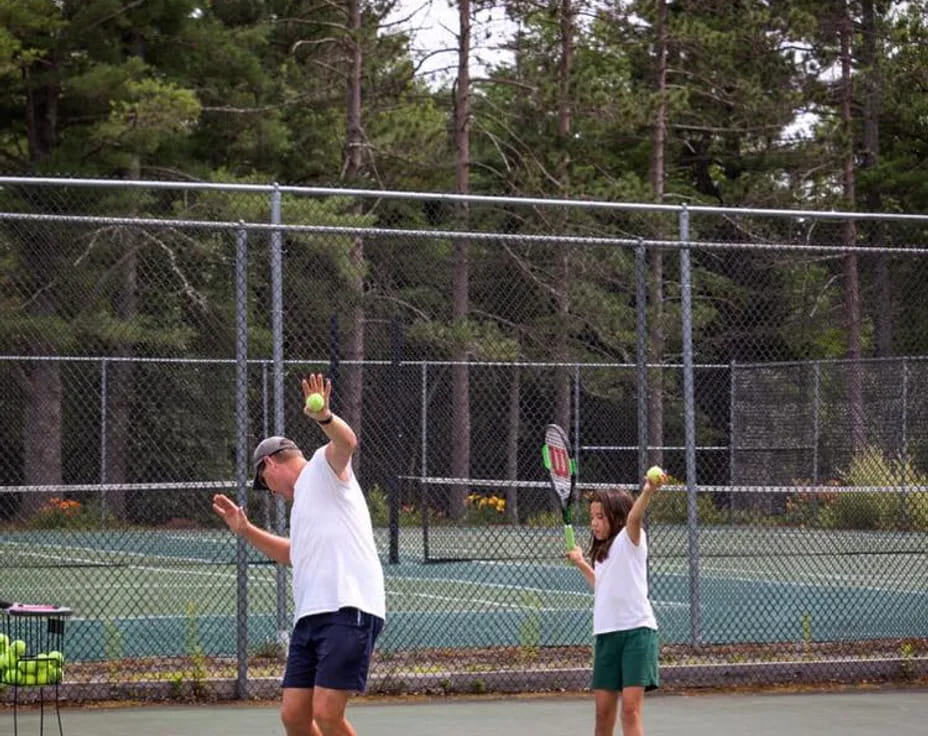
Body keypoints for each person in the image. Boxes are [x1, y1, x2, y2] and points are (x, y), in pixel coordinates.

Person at [211, 373, 385, 736]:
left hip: (347, 608)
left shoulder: (324, 468)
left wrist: (323, 417)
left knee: (327, 713)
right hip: (310, 617)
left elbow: (347, 441)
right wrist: (245, 530)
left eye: (264, 483)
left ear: (270, 464)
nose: (269, 491)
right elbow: (294, 555)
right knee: (294, 716)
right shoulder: (301, 504)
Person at [566, 471, 666, 736]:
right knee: (603, 716)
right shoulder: (602, 553)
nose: (594, 524)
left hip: (637, 634)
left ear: (617, 516)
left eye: (600, 517)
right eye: (592, 517)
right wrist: (580, 563)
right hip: (607, 637)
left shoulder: (630, 539)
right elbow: (603, 586)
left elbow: (635, 517)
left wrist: (647, 491)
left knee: (630, 712)